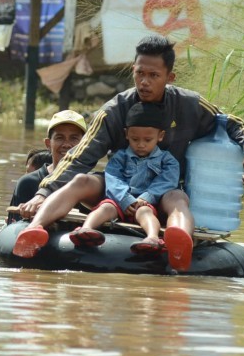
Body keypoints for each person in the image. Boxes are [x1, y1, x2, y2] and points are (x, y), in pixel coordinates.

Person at [12, 35, 244, 271]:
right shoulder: (114, 110)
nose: (144, 82)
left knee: (178, 198)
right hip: (117, 187)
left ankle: (180, 243)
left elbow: (229, 122)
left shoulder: (189, 105)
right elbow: (80, 156)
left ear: (170, 76)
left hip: (162, 192)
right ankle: (35, 229)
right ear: (133, 69)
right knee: (81, 180)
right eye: (139, 73)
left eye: (154, 75)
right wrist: (44, 192)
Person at [67, 101, 179, 254]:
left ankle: (153, 237)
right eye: (135, 139)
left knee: (145, 213)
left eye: (147, 140)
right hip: (118, 201)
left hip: (144, 203)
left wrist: (147, 197)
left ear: (160, 136)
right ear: (127, 135)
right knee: (105, 207)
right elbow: (113, 178)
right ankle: (86, 229)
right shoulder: (120, 157)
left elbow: (167, 181)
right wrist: (124, 198)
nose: (140, 145)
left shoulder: (167, 160)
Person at [6, 110, 87, 224]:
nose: (67, 144)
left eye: (74, 138)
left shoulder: (90, 186)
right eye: (60, 137)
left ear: (85, 144)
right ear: (48, 144)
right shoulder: (28, 183)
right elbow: (13, 229)